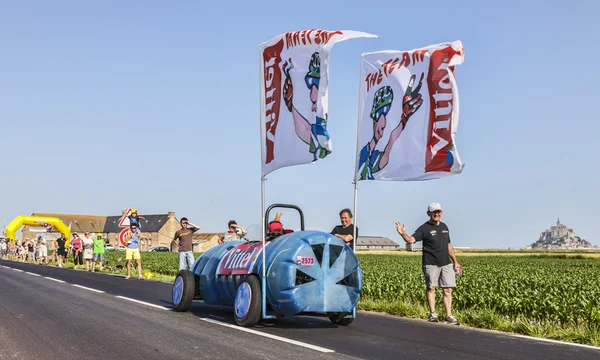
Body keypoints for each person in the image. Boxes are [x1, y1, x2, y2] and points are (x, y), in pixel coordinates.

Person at [395, 202, 461, 325]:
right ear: (429, 213)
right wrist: (403, 233)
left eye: (438, 212)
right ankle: (433, 314)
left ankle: (449, 315)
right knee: (431, 288)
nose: (436, 214)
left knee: (448, 290)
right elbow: (411, 240)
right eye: (433, 212)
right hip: (431, 263)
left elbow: (449, 245)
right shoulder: (424, 228)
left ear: (441, 213)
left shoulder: (444, 227)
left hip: (446, 263)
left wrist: (455, 262)